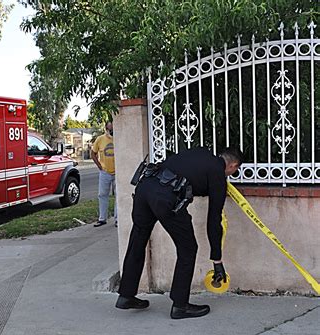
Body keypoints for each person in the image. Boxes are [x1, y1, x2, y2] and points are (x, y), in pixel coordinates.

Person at [115, 147, 243, 319]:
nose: (230, 176)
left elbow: (187, 175)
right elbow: (214, 220)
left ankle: (126, 295)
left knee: (138, 238)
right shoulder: (218, 175)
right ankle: (180, 305)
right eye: (234, 172)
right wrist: (217, 260)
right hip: (164, 197)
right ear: (233, 165)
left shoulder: (200, 153)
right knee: (188, 249)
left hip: (144, 187)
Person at [91, 122, 117, 227]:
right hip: (105, 172)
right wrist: (99, 166)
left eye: (112, 129)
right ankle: (102, 218)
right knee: (102, 195)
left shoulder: (118, 138)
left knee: (118, 196)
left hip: (117, 172)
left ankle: (118, 219)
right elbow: (93, 153)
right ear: (106, 128)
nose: (111, 132)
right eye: (109, 129)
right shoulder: (100, 139)